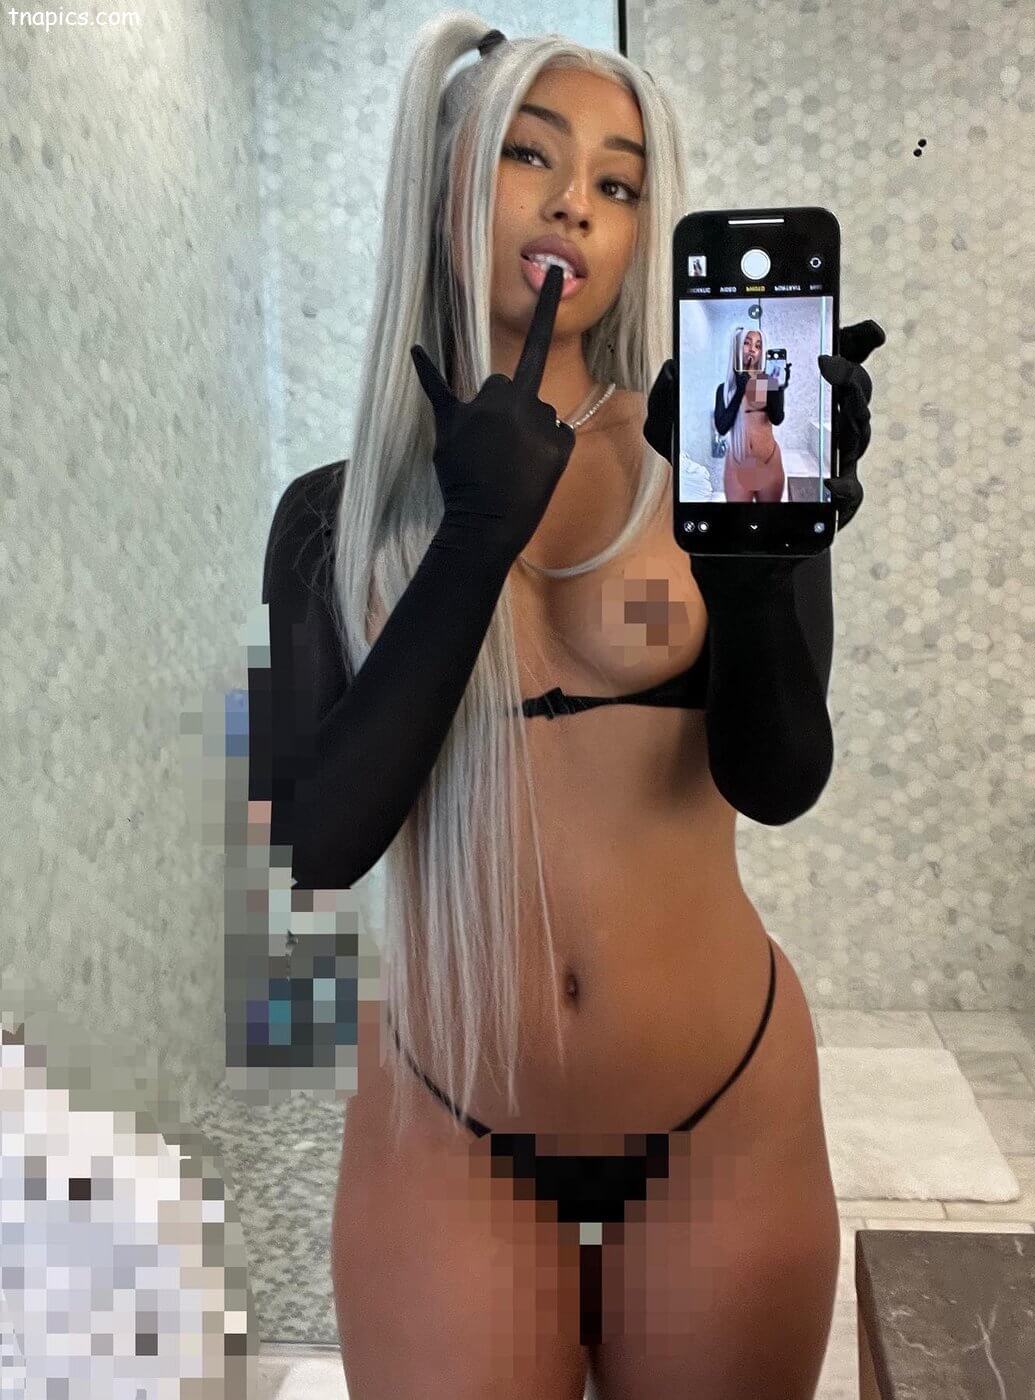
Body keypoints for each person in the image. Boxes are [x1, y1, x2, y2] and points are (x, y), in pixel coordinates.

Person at [246, 14, 882, 1398]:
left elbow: (780, 778)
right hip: (446, 1122)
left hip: (723, 1109)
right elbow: (317, 845)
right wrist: (472, 535)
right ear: (444, 186)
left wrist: (761, 578)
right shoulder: (328, 518)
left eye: (617, 180)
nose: (574, 206)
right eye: (530, 158)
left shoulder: (710, 466)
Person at [714, 326, 789, 502]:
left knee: (770, 518)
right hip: (737, 464)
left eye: (758, 345)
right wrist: (740, 391)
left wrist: (777, 388)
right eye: (747, 343)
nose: (753, 349)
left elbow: (777, 418)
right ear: (738, 347)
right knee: (738, 518)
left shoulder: (767, 383)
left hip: (769, 462)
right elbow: (722, 427)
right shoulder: (725, 390)